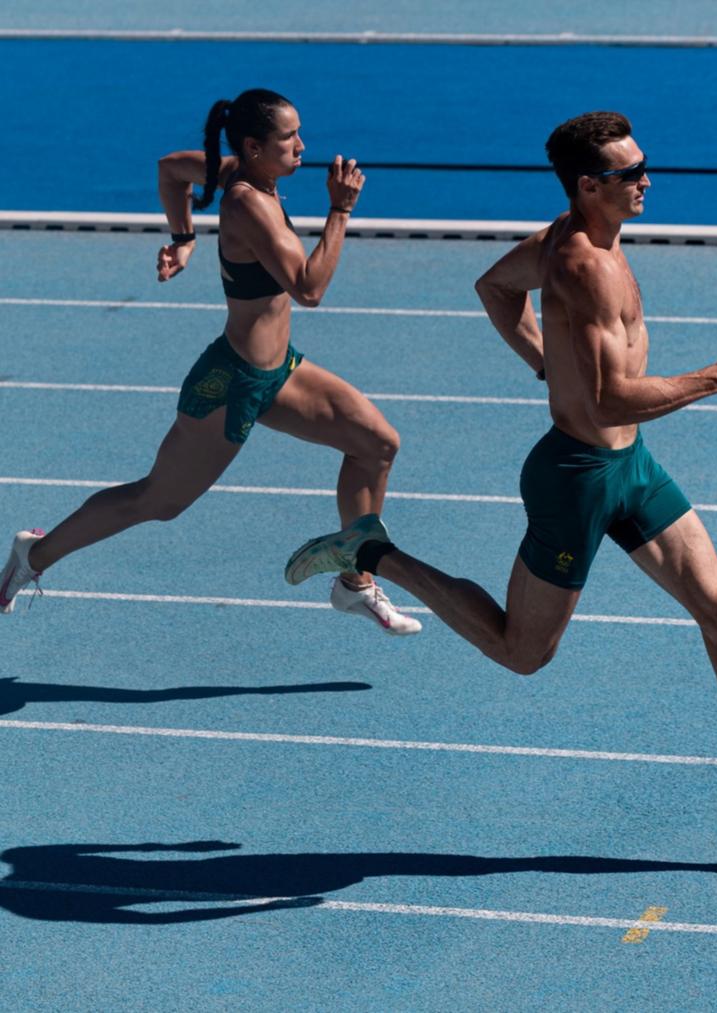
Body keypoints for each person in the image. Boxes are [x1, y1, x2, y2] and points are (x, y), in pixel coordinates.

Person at [284, 110, 717, 828]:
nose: (647, 180)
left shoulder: (575, 235)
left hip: (631, 466)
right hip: (575, 478)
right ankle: (371, 551)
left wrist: (540, 357)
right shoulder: (580, 265)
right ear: (591, 186)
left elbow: (494, 288)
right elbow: (607, 396)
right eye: (632, 173)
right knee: (522, 650)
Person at [0, 88, 420, 636]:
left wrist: (183, 238)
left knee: (376, 444)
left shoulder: (234, 171)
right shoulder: (246, 200)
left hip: (279, 372)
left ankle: (354, 584)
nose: (302, 145)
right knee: (157, 500)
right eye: (289, 137)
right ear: (253, 146)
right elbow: (310, 288)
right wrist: (340, 209)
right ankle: (32, 556)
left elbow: (171, 171)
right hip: (229, 384)